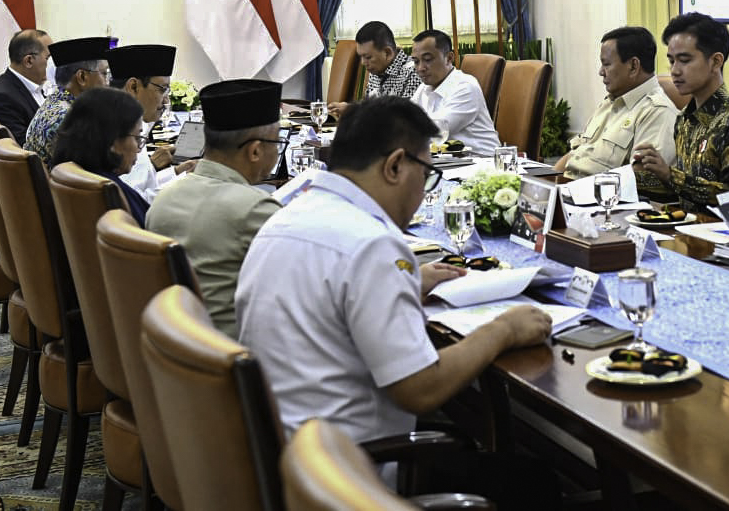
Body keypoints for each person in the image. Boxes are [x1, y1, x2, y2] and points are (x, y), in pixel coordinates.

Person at [236, 96, 556, 507]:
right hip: (349, 478)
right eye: (427, 175)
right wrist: (503, 330)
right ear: (395, 166)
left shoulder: (288, 215)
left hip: (288, 456)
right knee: (534, 482)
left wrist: (403, 283)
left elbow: (333, 295)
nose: (425, 191)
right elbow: (421, 390)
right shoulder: (372, 243)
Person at [147, 79, 283, 339]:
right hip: (235, 363)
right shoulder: (256, 210)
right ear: (255, 151)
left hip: (173, 353)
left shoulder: (163, 200)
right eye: (276, 143)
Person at [633, 12, 729, 213]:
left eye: (684, 60)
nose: (675, 71)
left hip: (727, 237)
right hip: (687, 231)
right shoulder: (684, 119)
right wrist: (635, 178)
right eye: (671, 61)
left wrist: (670, 175)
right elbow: (681, 192)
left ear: (716, 62)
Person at [557, 26, 677, 180]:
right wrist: (548, 189)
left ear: (633, 66)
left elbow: (640, 178)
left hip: (599, 199)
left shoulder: (657, 112)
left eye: (606, 64)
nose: (601, 71)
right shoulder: (610, 102)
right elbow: (575, 154)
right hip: (568, 190)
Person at [107, 44, 196, 201]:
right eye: (162, 89)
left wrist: (178, 172)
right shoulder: (119, 134)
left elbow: (141, 183)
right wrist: (184, 182)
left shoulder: (120, 121)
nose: (167, 100)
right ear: (133, 86)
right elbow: (134, 201)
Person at [51, 87, 149, 226]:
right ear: (113, 141)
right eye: (137, 137)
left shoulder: (70, 176)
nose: (139, 148)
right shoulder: (110, 192)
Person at [24, 36, 110, 170]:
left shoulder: (55, 102)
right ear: (82, 77)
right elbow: (92, 178)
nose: (107, 83)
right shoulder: (69, 120)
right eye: (104, 74)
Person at [410, 29, 501, 155]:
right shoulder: (424, 88)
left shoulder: (465, 87)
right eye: (416, 61)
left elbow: (435, 132)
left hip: (482, 163)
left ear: (449, 58)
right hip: (448, 163)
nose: (420, 68)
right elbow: (405, 120)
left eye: (428, 59)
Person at [326, 21, 420, 117]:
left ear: (387, 53)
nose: (363, 63)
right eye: (361, 57)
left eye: (368, 57)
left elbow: (404, 119)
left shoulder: (414, 73)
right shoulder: (377, 70)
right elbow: (370, 107)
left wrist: (354, 110)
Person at [0, 29, 53, 145]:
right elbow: (24, 149)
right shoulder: (1, 99)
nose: (53, 64)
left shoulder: (40, 84)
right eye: (49, 58)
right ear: (29, 61)